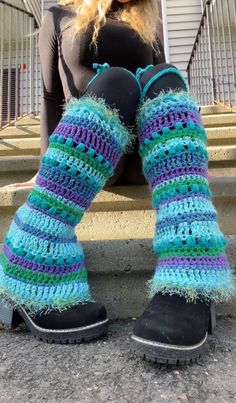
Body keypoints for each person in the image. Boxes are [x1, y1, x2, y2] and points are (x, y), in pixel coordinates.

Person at [0, 0, 234, 366]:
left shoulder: (147, 16)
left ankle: (191, 259)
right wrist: (45, 165)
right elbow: (49, 96)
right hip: (93, 145)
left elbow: (154, 80)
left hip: (145, 153)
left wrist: (197, 165)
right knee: (116, 81)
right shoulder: (57, 16)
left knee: (164, 76)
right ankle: (32, 247)